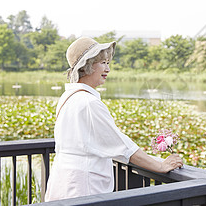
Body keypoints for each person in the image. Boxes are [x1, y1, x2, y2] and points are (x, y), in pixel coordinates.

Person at [45, 37, 183, 201]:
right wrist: (160, 165)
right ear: (86, 66)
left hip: (62, 182)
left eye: (108, 63)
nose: (107, 69)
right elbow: (123, 146)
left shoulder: (68, 97)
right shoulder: (89, 103)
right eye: (102, 63)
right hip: (83, 188)